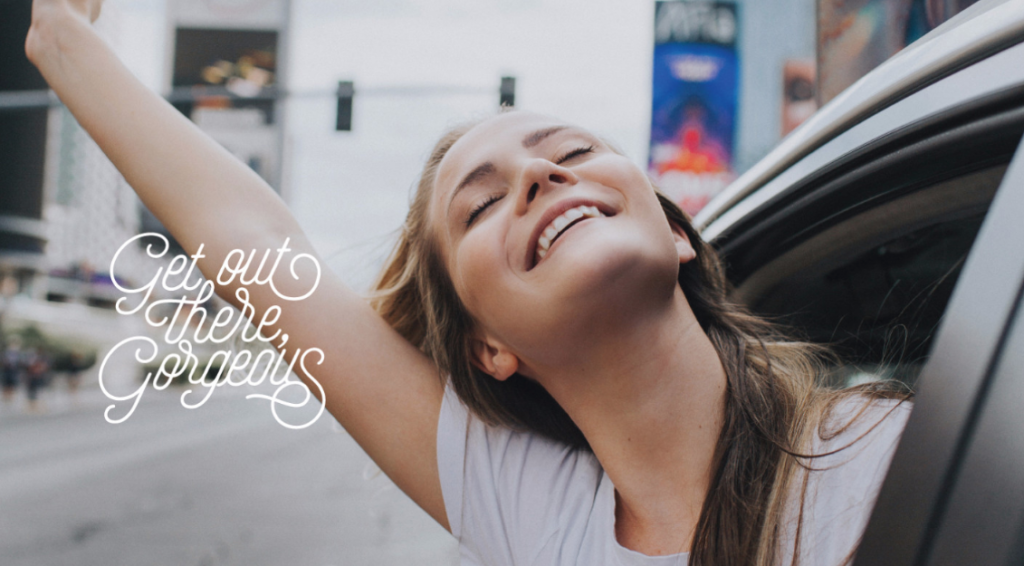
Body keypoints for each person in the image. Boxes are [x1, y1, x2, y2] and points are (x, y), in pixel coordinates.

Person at [25, 2, 911, 564]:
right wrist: (61, 34)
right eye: (482, 205)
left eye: (570, 153)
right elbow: (257, 242)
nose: (537, 177)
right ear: (490, 346)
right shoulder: (531, 510)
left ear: (677, 236)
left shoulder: (888, 453)